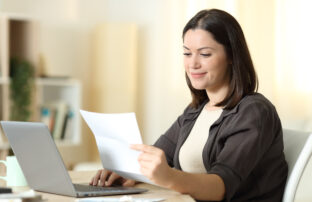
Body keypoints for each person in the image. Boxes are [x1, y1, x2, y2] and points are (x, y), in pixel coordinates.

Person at [89, 9, 288, 202]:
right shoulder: (196, 110)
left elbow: (221, 186)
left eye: (205, 54)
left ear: (231, 56)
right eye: (187, 53)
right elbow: (161, 155)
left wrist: (169, 177)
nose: (193, 64)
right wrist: (131, 171)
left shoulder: (254, 111)